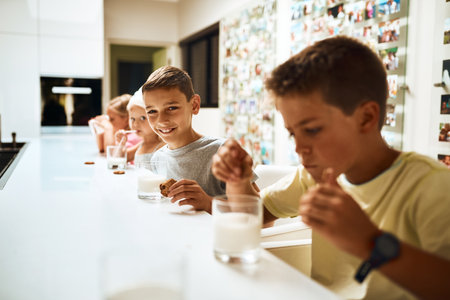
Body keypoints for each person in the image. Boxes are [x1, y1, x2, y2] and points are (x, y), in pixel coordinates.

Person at [212, 36, 450, 300]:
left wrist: (369, 242)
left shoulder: (433, 187)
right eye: (293, 134)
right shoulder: (313, 175)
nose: (299, 147)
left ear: (366, 117)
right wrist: (237, 181)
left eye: (312, 130)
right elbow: (255, 217)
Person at [141, 66, 227, 213]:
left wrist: (208, 203)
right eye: (152, 111)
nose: (161, 120)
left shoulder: (222, 151)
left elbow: (260, 211)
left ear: (194, 105)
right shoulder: (158, 158)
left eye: (172, 108)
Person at [115, 88, 164, 163]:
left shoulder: (163, 146)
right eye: (132, 119)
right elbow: (120, 160)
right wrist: (121, 144)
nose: (135, 124)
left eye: (143, 118)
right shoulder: (141, 145)